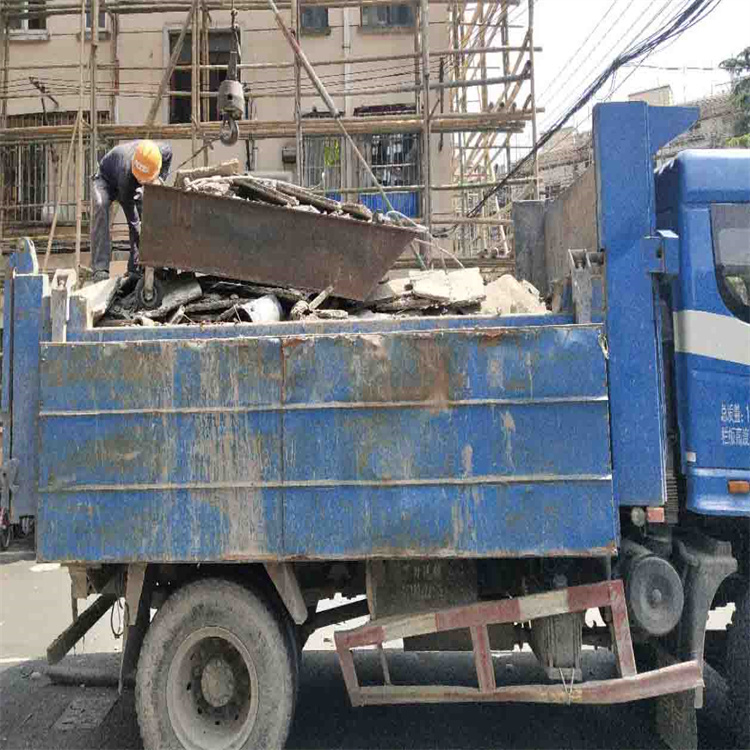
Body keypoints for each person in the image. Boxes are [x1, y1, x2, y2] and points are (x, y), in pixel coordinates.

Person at [91, 139, 172, 281]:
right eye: (141, 180)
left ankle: (134, 269)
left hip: (130, 180)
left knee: (145, 208)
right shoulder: (126, 174)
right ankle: (100, 269)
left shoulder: (162, 151)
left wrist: (159, 179)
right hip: (106, 180)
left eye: (145, 180)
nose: (142, 183)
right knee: (100, 204)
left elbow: (168, 157)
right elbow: (133, 222)